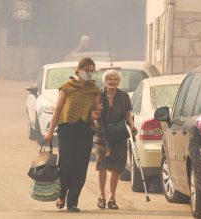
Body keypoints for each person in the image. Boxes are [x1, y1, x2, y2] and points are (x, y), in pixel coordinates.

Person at [44, 57, 102, 213]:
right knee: (66, 163)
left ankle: (72, 202)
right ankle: (62, 194)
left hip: (85, 130)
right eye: (86, 70)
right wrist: (50, 131)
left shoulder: (94, 89)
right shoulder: (67, 87)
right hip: (66, 129)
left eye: (91, 71)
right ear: (79, 70)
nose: (89, 74)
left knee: (81, 166)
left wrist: (95, 115)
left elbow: (97, 109)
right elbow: (57, 110)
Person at [94, 69, 137, 210]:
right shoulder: (98, 95)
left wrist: (132, 125)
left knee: (115, 168)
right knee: (102, 166)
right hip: (102, 133)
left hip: (118, 135)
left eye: (115, 79)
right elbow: (94, 114)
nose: (112, 82)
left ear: (119, 82)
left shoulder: (124, 96)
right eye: (109, 79)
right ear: (105, 82)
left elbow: (127, 113)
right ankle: (101, 196)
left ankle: (112, 197)